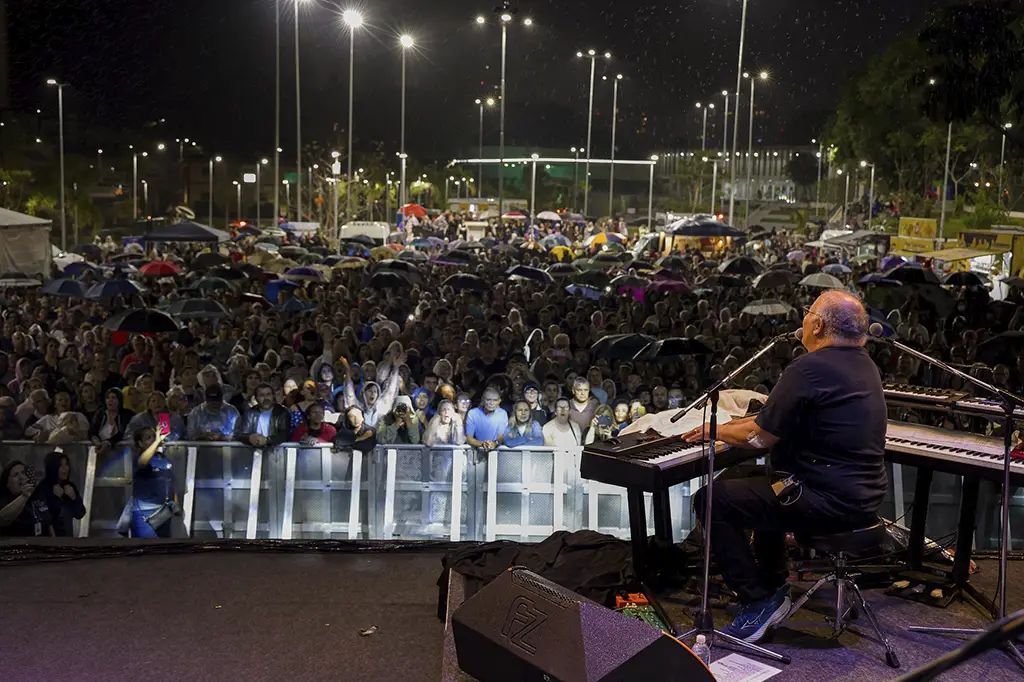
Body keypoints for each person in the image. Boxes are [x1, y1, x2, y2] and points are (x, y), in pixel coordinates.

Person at [683, 291, 887, 643]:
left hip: (825, 500)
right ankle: (774, 583)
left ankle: (757, 599)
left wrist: (714, 430)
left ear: (818, 324)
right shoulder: (864, 363)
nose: (802, 320)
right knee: (751, 480)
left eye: (807, 314)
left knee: (712, 497)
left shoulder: (809, 368)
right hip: (862, 496)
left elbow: (761, 437)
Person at [129, 426, 177, 538]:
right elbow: (142, 463)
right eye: (148, 438)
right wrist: (157, 441)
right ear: (140, 443)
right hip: (145, 514)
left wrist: (176, 504)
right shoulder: (139, 458)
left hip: (163, 512)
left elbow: (170, 480)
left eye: (154, 436)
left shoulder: (163, 458)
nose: (154, 439)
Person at [0, 460, 53, 537]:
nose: (21, 477)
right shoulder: (4, 499)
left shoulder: (38, 495)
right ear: (7, 484)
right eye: (15, 475)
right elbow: (3, 519)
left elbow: (48, 522)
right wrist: (24, 495)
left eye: (23, 473)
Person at [40, 450, 86, 537]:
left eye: (66, 464)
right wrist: (54, 499)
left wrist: (74, 498)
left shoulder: (69, 486)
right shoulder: (43, 487)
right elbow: (44, 518)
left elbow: (80, 514)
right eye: (61, 466)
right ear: (53, 467)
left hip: (67, 539)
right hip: (47, 539)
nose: (66, 468)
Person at [236, 383, 292, 448]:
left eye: (268, 394)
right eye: (261, 395)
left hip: (276, 452)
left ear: (273, 396)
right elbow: (240, 434)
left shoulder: (282, 413)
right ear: (256, 398)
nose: (266, 398)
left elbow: (285, 435)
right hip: (253, 453)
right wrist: (249, 438)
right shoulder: (249, 414)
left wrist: (266, 440)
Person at [90, 388, 134, 455]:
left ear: (119, 400)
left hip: (122, 454)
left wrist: (108, 443)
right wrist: (97, 443)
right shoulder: (100, 413)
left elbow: (123, 433)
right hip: (101, 453)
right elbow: (92, 432)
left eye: (114, 398)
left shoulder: (127, 414)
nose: (110, 400)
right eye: (108, 398)